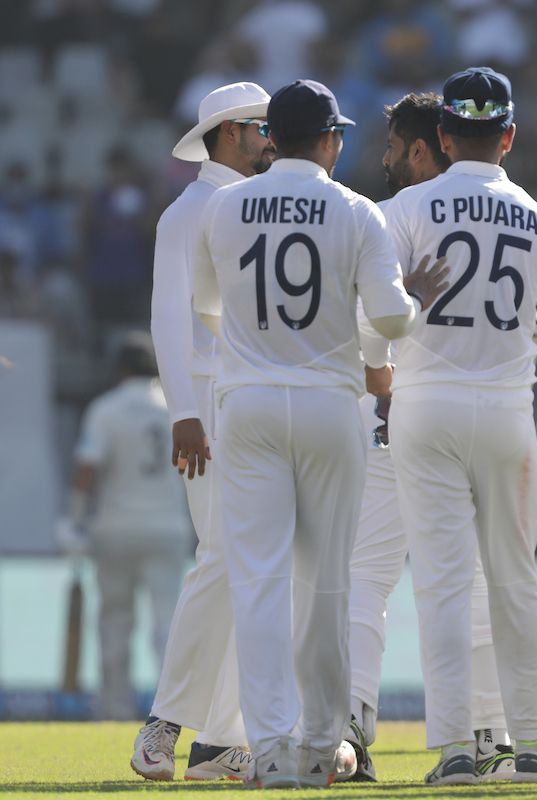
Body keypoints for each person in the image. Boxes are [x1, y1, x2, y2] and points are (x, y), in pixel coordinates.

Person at [190, 78, 445, 789]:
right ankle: (321, 743)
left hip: (249, 406)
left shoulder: (226, 204)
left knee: (259, 580)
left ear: (272, 137)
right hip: (331, 408)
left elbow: (208, 306)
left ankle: (269, 745)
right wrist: (416, 301)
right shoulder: (357, 210)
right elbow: (391, 323)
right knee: (329, 583)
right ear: (332, 139)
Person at [361, 66, 537, 786]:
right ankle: (531, 747)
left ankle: (457, 749)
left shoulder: (405, 209)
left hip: (425, 405)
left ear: (444, 136)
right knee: (516, 581)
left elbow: (376, 319)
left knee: (442, 582)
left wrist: (380, 368)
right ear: (510, 136)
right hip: (504, 409)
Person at [343, 91, 514, 782]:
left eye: (391, 147)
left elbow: (359, 332)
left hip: (399, 422)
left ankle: (349, 729)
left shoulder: (388, 217)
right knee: (473, 584)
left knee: (366, 577)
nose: (384, 160)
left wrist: (379, 369)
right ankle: (491, 737)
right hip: (488, 427)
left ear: (422, 148)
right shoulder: (516, 213)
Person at [133, 81, 274, 783]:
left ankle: (220, 742)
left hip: (254, 397)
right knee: (224, 558)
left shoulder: (254, 202)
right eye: (260, 127)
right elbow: (168, 317)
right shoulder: (188, 210)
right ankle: (163, 724)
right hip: (212, 401)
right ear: (227, 134)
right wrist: (184, 411)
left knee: (249, 566)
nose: (270, 138)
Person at [64, 333, 190, 722]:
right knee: (168, 623)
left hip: (115, 527)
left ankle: (114, 708)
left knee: (115, 620)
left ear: (119, 369)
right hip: (168, 527)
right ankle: (171, 712)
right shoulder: (175, 407)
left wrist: (73, 519)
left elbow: (88, 466)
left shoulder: (106, 408)